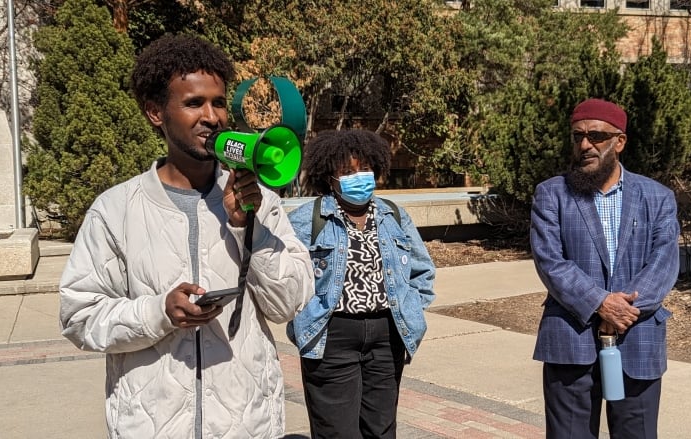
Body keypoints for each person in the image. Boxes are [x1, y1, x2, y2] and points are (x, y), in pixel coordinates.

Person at [58, 34, 314, 438]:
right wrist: (160, 312)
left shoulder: (259, 200)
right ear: (156, 112)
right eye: (194, 103)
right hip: (152, 427)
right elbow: (79, 317)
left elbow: (288, 303)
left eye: (217, 102)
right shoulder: (115, 210)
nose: (211, 116)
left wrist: (249, 227)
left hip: (244, 425)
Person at [530, 98, 680, 439]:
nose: (585, 145)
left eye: (596, 136)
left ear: (620, 142)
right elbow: (550, 261)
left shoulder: (657, 197)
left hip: (637, 337)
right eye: (577, 136)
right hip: (571, 338)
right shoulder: (552, 194)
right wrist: (600, 302)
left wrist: (623, 310)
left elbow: (664, 262)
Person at [286, 129, 436, 438]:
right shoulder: (306, 219)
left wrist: (412, 311)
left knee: (380, 430)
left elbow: (422, 273)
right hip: (332, 337)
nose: (359, 177)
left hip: (387, 337)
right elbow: (286, 281)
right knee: (337, 431)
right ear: (330, 177)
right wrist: (303, 320)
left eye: (365, 169)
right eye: (348, 172)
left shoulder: (394, 216)